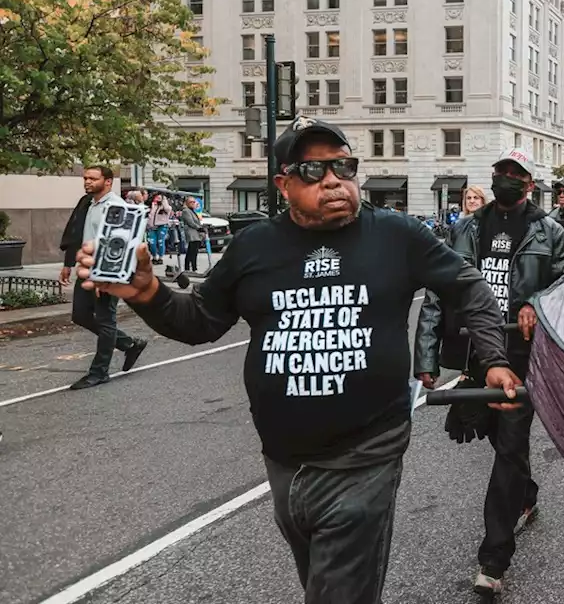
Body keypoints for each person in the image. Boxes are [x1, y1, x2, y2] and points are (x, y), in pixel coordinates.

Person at [74, 116, 520, 604]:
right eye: (314, 171)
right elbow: (201, 321)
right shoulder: (255, 246)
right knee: (321, 581)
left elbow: (468, 287)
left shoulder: (397, 235)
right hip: (283, 458)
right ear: (283, 184)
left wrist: (493, 358)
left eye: (344, 167)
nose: (334, 180)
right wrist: (148, 293)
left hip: (366, 454)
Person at [416, 147, 564, 597]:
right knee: (491, 436)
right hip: (474, 356)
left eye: (515, 174)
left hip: (523, 358)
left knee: (510, 447)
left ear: (528, 183)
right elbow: (439, 291)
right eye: (500, 171)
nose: (506, 178)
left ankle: (493, 559)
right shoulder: (465, 228)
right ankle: (525, 493)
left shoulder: (550, 231)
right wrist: (426, 356)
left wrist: (534, 304)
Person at [57, 165, 148, 390]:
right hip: (87, 270)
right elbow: (76, 232)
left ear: (107, 181)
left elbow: (120, 244)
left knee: (106, 319)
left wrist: (107, 277)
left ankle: (99, 372)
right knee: (80, 315)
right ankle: (129, 344)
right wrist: (68, 264)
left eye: (93, 178)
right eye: (85, 178)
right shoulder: (86, 203)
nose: (87, 182)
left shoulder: (117, 206)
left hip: (108, 273)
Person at [179, 197, 204, 273]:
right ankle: (190, 268)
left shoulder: (193, 211)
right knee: (191, 252)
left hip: (196, 234)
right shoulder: (186, 211)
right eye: (191, 202)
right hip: (191, 234)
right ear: (187, 203)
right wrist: (199, 228)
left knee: (194, 252)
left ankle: (193, 267)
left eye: (194, 202)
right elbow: (190, 222)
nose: (193, 203)